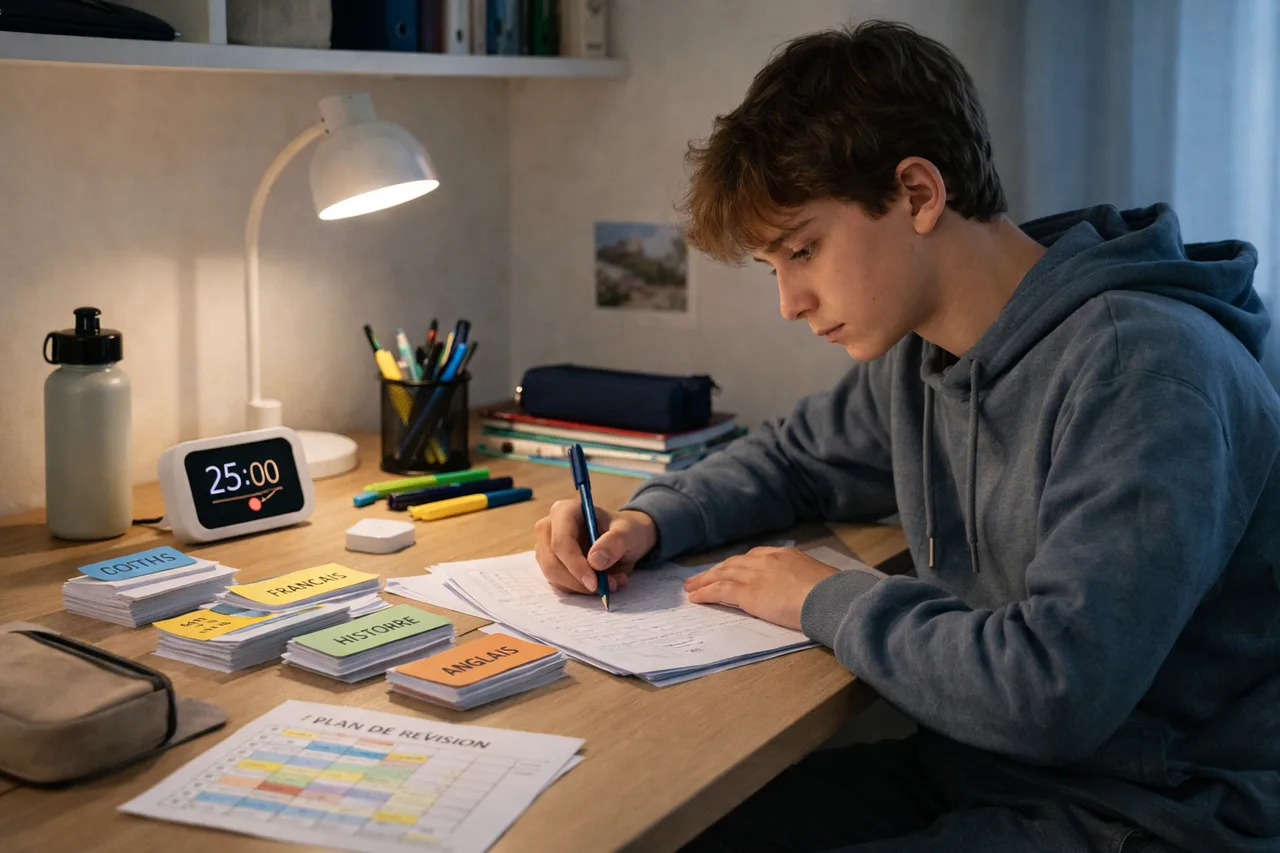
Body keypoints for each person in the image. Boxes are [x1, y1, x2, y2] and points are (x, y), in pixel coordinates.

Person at [531, 20, 1280, 853]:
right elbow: (795, 460)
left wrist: (820, 595)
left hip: (1150, 814)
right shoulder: (927, 347)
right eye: (774, 267)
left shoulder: (1141, 372)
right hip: (981, 770)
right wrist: (649, 519)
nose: (790, 302)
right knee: (657, 827)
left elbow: (1053, 692)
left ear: (919, 193)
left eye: (803, 250)